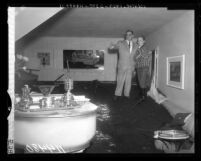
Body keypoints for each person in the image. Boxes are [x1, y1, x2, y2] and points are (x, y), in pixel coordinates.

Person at [108, 30, 138, 101]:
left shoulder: (136, 45)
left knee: (128, 81)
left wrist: (135, 65)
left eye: (130, 34)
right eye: (127, 34)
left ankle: (126, 94)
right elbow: (114, 46)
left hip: (131, 66)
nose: (128, 36)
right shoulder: (120, 43)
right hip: (122, 66)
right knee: (120, 81)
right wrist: (112, 46)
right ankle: (117, 94)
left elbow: (137, 56)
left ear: (133, 36)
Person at [134, 36, 152, 101]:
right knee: (140, 81)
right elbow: (134, 58)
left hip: (144, 66)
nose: (139, 41)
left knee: (142, 81)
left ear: (144, 41)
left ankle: (143, 97)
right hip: (138, 67)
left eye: (141, 40)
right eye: (138, 40)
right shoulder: (138, 48)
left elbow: (146, 55)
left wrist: (139, 54)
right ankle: (142, 95)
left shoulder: (145, 47)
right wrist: (138, 55)